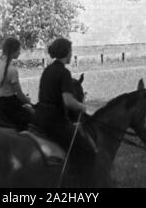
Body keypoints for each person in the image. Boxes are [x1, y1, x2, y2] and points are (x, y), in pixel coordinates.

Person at [32, 37, 97, 186]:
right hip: (54, 121)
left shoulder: (47, 70)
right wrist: (81, 106)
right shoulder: (64, 73)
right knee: (87, 151)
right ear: (66, 53)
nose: (71, 54)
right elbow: (68, 101)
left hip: (38, 117)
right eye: (71, 51)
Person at [0, 36, 32, 131]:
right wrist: (28, 101)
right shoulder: (12, 70)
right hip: (9, 106)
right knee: (31, 120)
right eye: (18, 50)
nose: (19, 52)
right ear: (13, 51)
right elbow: (19, 94)